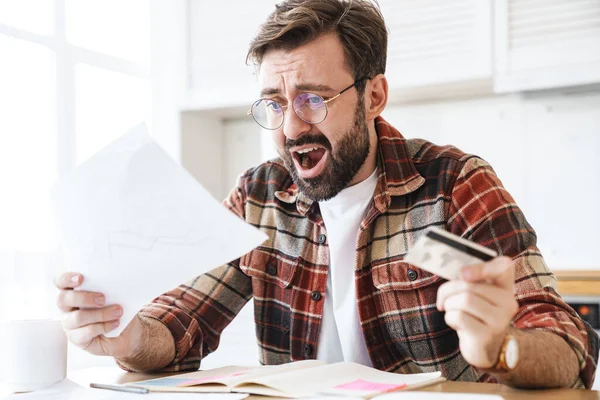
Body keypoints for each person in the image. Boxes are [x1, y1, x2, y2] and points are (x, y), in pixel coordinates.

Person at [55, 0, 598, 389]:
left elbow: (568, 348)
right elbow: (177, 324)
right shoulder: (259, 196)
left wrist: (500, 346)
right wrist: (125, 337)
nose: (290, 128)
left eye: (312, 98)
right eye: (274, 102)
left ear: (374, 95)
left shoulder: (454, 183)